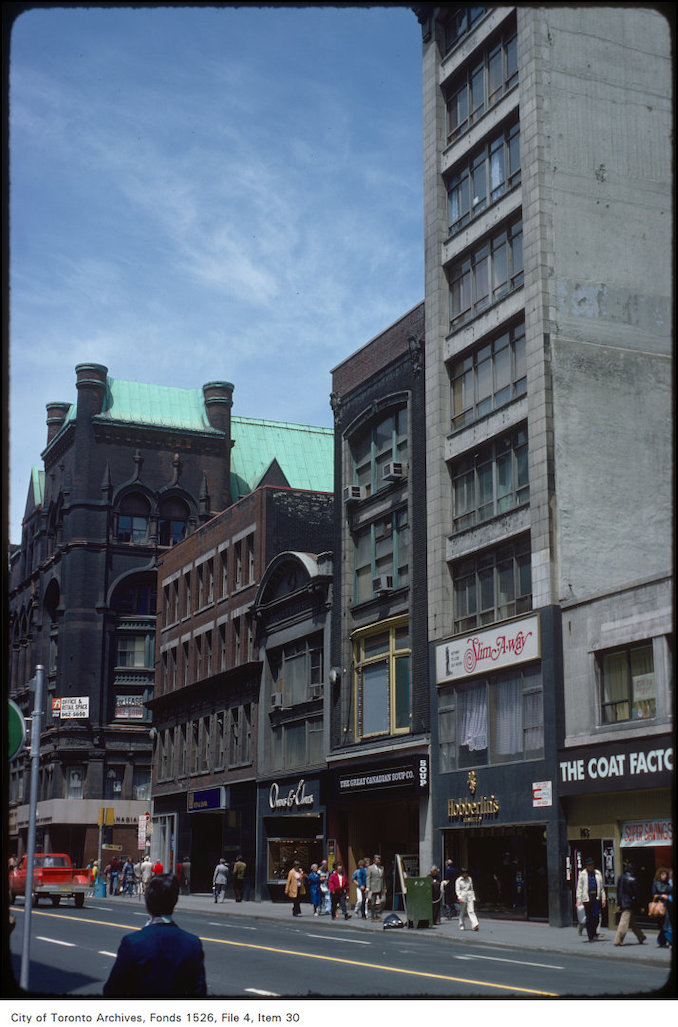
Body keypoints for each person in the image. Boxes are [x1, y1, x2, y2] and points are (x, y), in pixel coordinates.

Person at [103, 873, 206, 997]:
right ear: (175, 901)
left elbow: (113, 990)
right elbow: (199, 992)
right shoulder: (193, 944)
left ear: (147, 903)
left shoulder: (133, 943)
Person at [614, 860, 646, 946]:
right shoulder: (633, 880)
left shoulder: (620, 878)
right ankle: (618, 940)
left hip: (623, 903)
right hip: (630, 903)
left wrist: (619, 903)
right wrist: (641, 905)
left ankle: (641, 936)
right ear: (632, 870)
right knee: (624, 922)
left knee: (631, 922)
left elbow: (618, 892)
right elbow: (637, 894)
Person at [576, 856, 606, 942]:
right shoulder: (583, 874)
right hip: (587, 897)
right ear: (586, 866)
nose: (590, 866)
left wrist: (603, 898)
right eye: (589, 865)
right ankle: (591, 936)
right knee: (589, 918)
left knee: (596, 916)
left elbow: (601, 887)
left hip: (596, 897)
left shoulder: (597, 873)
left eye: (592, 865)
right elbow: (580, 888)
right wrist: (579, 900)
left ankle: (594, 932)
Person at [651, 867, 672, 948]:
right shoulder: (656, 883)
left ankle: (661, 941)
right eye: (663, 874)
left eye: (665, 874)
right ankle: (670, 942)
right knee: (666, 924)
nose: (664, 876)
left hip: (667, 905)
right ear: (659, 875)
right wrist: (661, 896)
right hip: (660, 906)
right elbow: (653, 895)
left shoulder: (668, 883)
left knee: (665, 924)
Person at [366, 854, 385, 921]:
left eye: (379, 859)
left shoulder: (382, 868)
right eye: (377, 860)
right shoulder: (370, 868)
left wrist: (385, 887)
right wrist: (368, 887)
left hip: (381, 887)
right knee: (373, 902)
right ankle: (373, 916)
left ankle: (378, 914)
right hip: (373, 887)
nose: (379, 861)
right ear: (374, 860)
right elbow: (368, 878)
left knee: (383, 901)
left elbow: (383, 878)